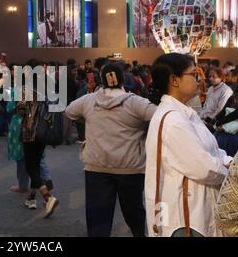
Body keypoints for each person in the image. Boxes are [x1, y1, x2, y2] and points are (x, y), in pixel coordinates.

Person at [145, 53, 233, 237]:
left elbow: (212, 149)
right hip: (188, 217)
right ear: (174, 80)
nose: (199, 80)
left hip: (198, 207)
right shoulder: (174, 120)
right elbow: (203, 168)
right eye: (194, 75)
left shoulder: (184, 113)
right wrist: (232, 174)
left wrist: (227, 160)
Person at [65, 63, 156, 237]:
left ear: (101, 80)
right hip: (130, 168)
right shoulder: (135, 102)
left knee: (98, 217)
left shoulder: (89, 100)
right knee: (134, 211)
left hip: (96, 167)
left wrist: (90, 122)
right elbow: (159, 115)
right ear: (123, 79)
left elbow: (69, 112)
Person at [16, 59, 58, 218]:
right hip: (43, 132)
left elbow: (20, 108)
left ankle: (48, 197)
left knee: (30, 167)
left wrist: (19, 107)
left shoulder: (26, 88)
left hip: (29, 132)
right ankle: (32, 198)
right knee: (36, 164)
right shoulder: (49, 85)